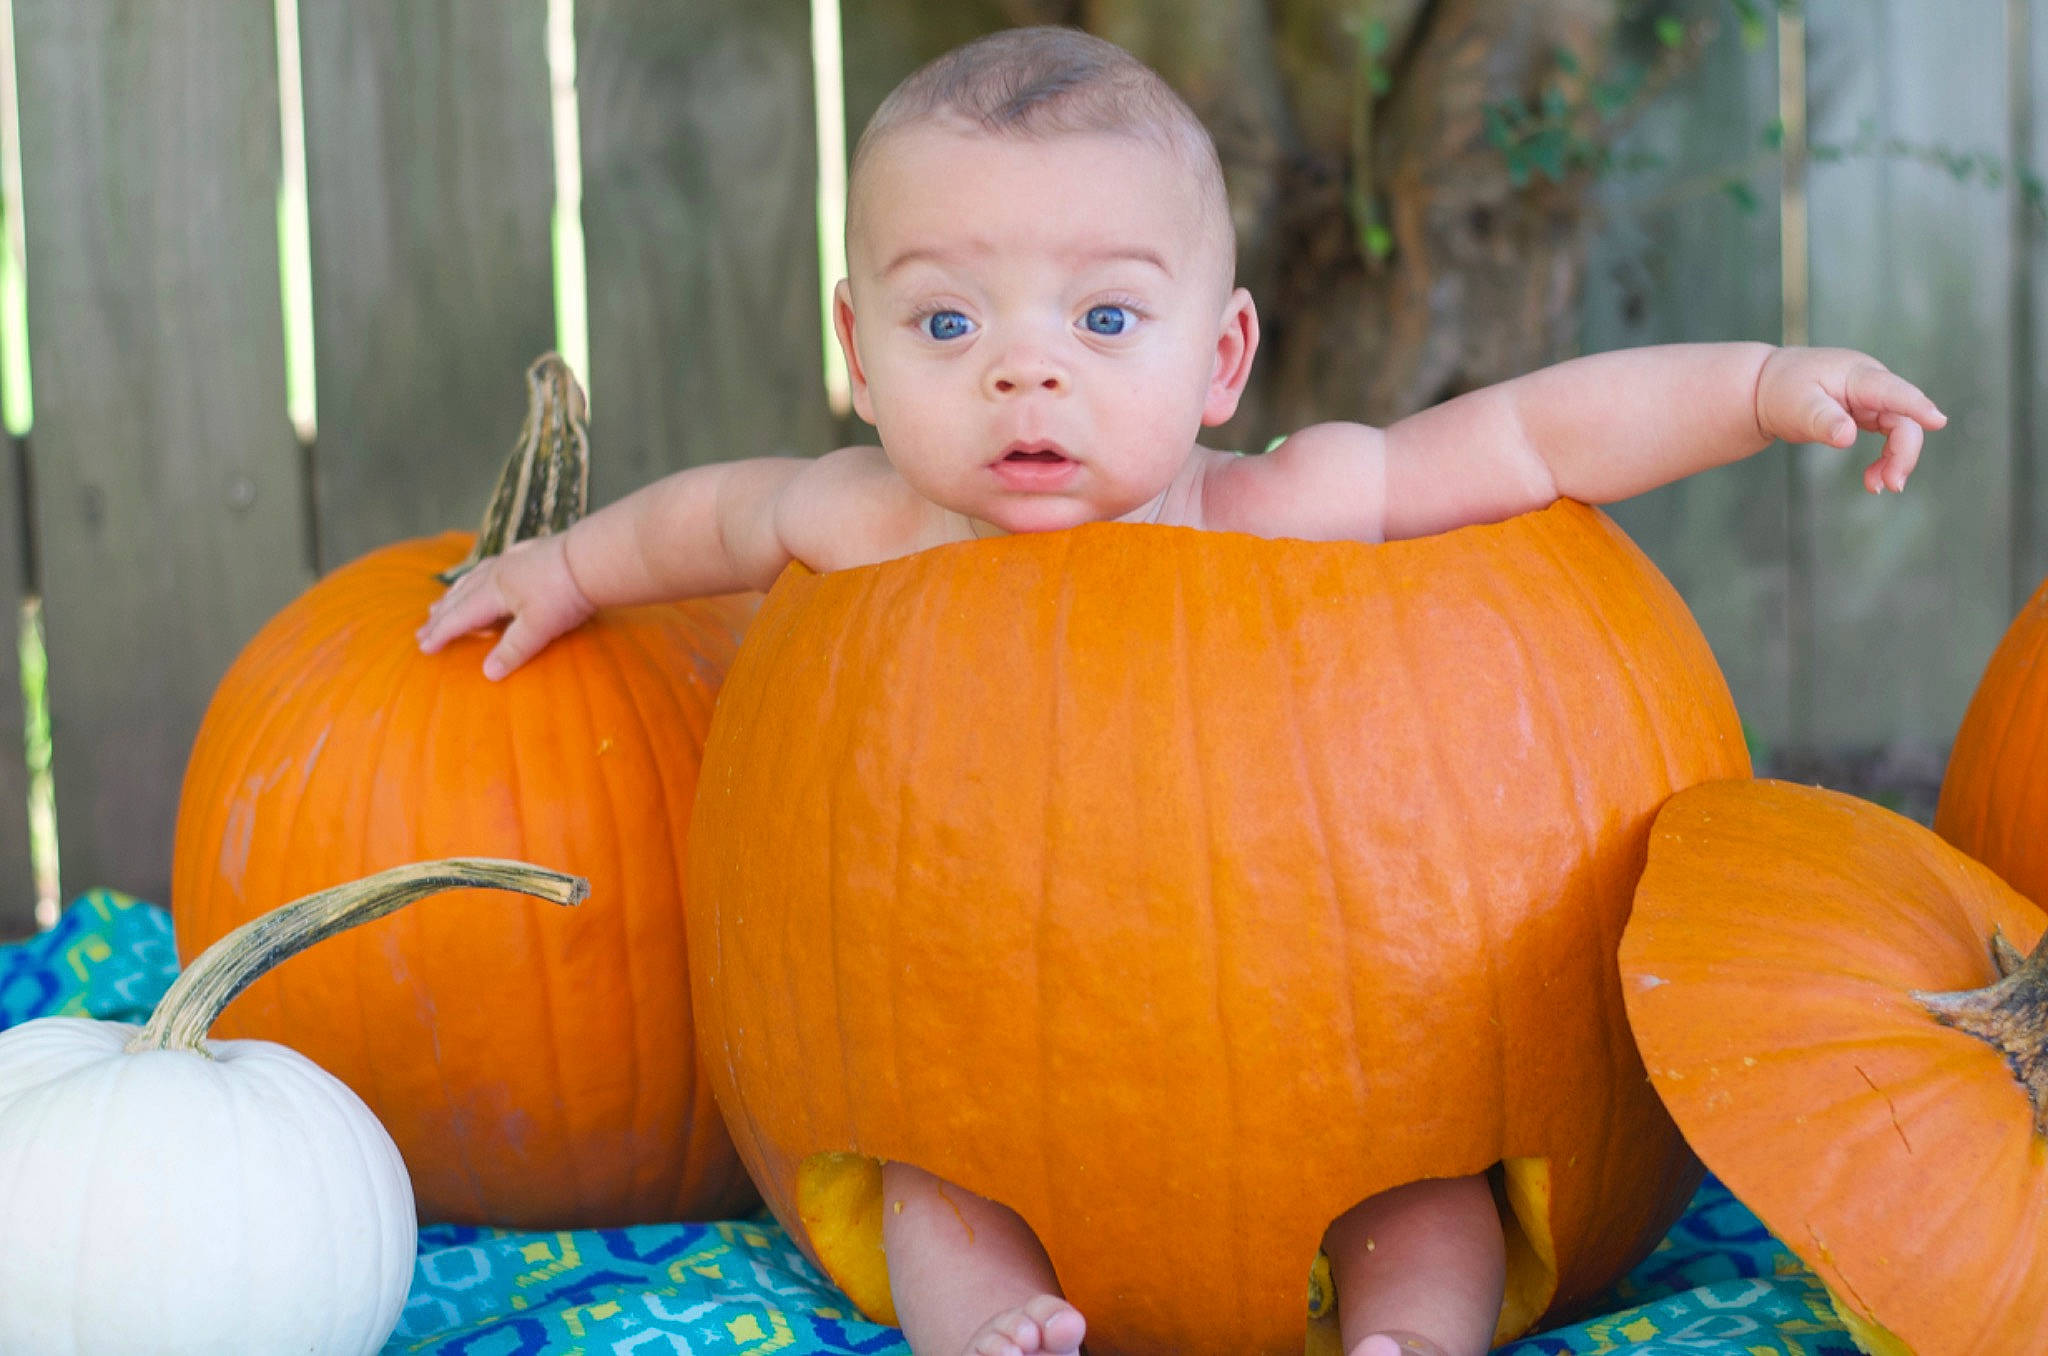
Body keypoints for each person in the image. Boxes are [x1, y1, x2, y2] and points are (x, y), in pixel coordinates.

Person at [417, 25, 1943, 1356]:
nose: (1025, 371)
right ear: (860, 352)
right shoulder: (859, 527)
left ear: (1218, 360)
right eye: (950, 322)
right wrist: (563, 567)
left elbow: (1536, 439)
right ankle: (995, 1327)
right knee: (921, 1182)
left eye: (1102, 320)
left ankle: (1411, 1331)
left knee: (1430, 1186)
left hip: (1323, 1068)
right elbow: (703, 519)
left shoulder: (1284, 505)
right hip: (973, 1055)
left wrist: (1753, 387)